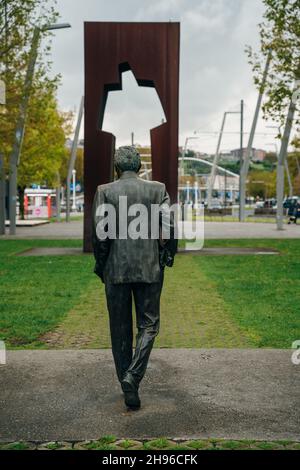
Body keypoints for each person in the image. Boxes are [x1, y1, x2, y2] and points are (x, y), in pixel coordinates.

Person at [92, 146, 177, 410]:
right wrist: (166, 256)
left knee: (119, 330)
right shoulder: (158, 189)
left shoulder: (104, 191)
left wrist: (101, 264)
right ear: (139, 166)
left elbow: (100, 234)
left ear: (116, 168)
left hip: (115, 269)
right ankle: (133, 377)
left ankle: (126, 382)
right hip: (150, 268)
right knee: (149, 325)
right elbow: (169, 226)